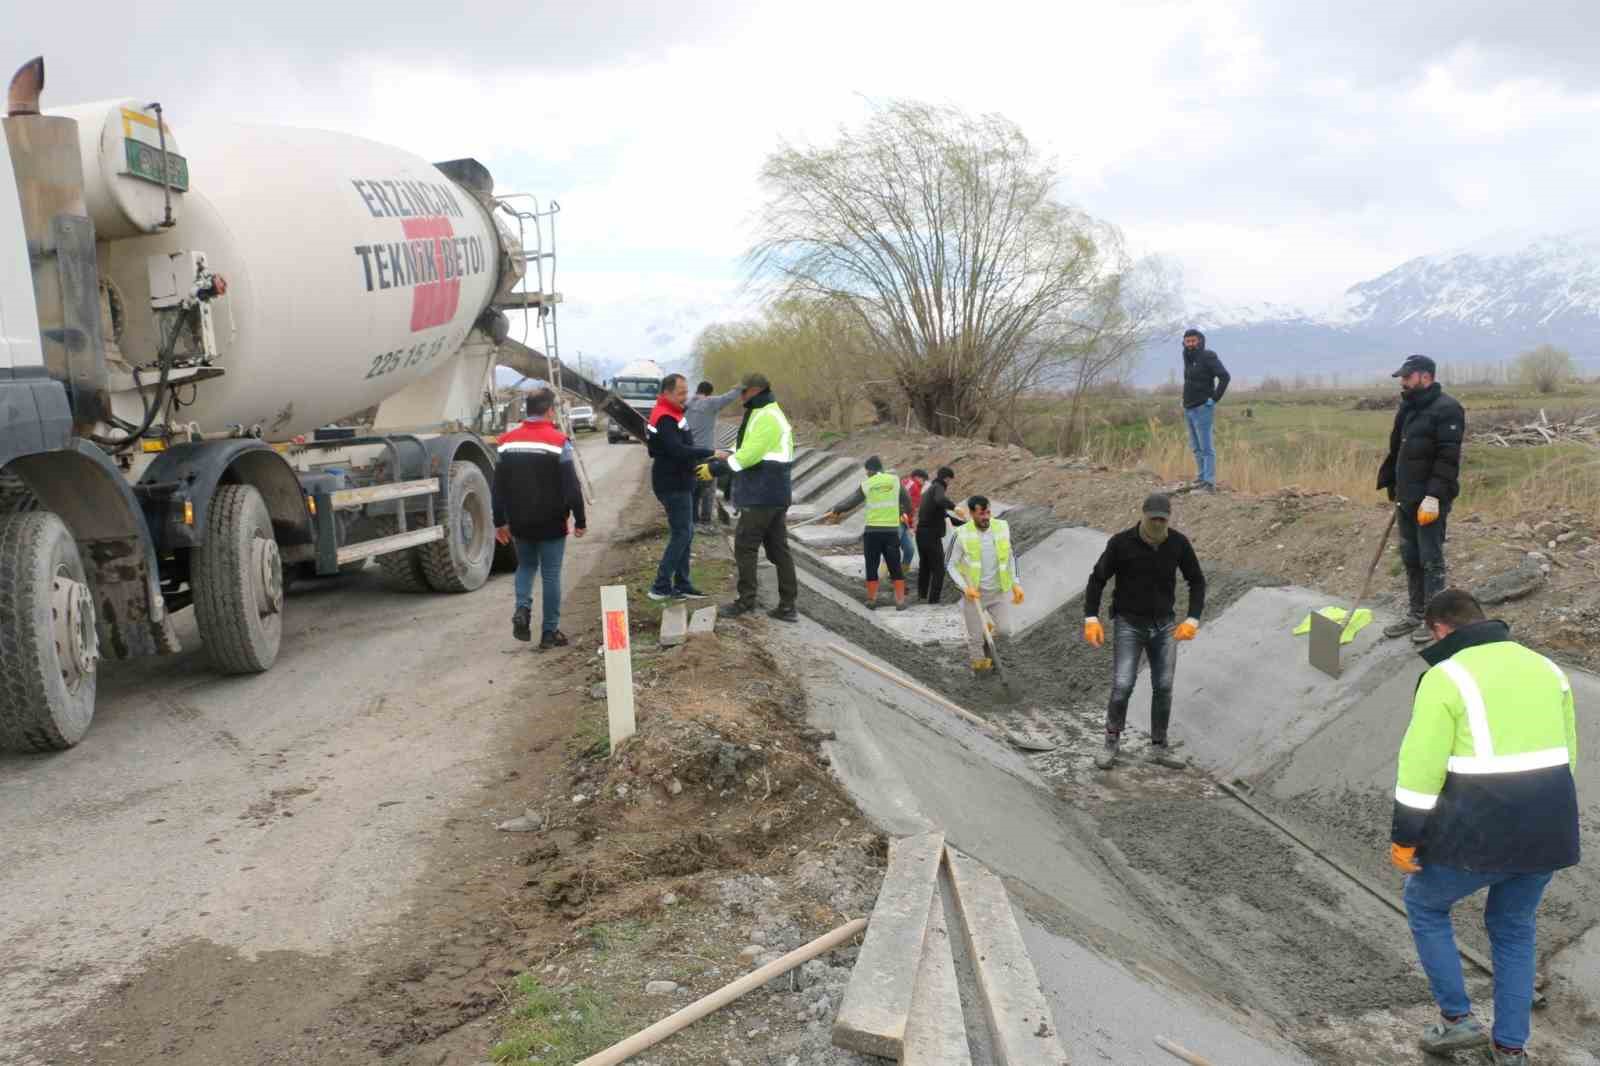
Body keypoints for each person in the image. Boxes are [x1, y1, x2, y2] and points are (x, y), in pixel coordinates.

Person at [1391, 589, 1579, 1064]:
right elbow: (1568, 758)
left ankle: (1457, 1021)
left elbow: (1420, 769)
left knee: (1424, 903)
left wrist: (1405, 837)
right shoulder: (1548, 669)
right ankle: (1511, 1049)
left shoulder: (1444, 677)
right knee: (1514, 929)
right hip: (1548, 830)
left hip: (1479, 831)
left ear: (1440, 630)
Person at [1082, 493, 1206, 770]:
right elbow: (1098, 578)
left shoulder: (1177, 544)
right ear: (1144, 515)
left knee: (1163, 686)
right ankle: (1111, 742)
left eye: (1163, 519)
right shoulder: (1121, 544)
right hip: (1129, 624)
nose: (1158, 524)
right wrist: (1091, 617)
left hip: (1165, 626)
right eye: (1154, 519)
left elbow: (1196, 581)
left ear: (1168, 518)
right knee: (1123, 685)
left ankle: (1159, 747)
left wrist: (1193, 619)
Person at [1377, 354, 1466, 643]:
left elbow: (1447, 458)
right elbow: (1397, 449)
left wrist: (1434, 497)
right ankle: (1416, 614)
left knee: (1431, 560)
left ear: (1425, 376)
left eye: (1407, 376)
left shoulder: (1448, 409)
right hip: (1406, 497)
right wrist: (1393, 484)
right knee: (1411, 558)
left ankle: (1434, 621)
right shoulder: (1409, 407)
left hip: (1430, 501)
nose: (1402, 382)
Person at [699, 372, 799, 621]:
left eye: (742, 391)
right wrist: (722, 455)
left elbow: (749, 455)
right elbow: (745, 448)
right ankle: (787, 606)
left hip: (762, 494)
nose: (739, 396)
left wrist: (715, 469)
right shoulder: (762, 411)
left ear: (755, 390)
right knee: (778, 550)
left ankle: (746, 601)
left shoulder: (767, 416)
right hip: (773, 493)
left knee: (745, 546)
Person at [493, 388, 587, 649]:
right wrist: (580, 519)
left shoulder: (506, 442)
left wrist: (499, 521)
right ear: (549, 411)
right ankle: (549, 632)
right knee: (551, 574)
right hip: (551, 521)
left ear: (527, 409)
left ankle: (522, 608)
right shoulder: (559, 442)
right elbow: (572, 487)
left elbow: (498, 486)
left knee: (525, 567)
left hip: (520, 521)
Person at [645, 373, 714, 602]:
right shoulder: (665, 418)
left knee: (686, 532)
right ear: (666, 393)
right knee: (682, 533)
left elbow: (684, 447)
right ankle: (661, 585)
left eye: (686, 391)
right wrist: (710, 452)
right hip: (672, 483)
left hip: (682, 480)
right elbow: (678, 450)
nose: (685, 396)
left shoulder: (674, 413)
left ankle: (682, 583)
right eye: (681, 392)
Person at [823, 456, 914, 610]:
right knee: (895, 565)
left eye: (866, 472)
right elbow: (908, 504)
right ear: (881, 467)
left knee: (872, 565)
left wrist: (836, 510)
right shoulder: (895, 481)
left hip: (872, 532)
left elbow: (850, 502)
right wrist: (902, 512)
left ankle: (872, 600)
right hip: (891, 531)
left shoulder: (866, 484)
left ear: (869, 470)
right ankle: (900, 601)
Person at [945, 496, 1024, 674]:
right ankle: (979, 668)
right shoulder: (961, 534)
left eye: (988, 512)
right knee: (975, 639)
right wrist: (965, 588)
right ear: (972, 513)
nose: (986, 517)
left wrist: (1016, 584)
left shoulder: (1002, 527)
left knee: (1004, 630)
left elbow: (1011, 557)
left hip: (997, 592)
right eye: (981, 514)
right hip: (974, 594)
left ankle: (989, 640)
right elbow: (949, 564)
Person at [686, 380, 742, 530]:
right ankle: (706, 522)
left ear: (697, 390)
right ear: (709, 393)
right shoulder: (709, 403)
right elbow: (728, 397)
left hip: (689, 452)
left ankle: (692, 520)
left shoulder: (687, 403)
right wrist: (741, 386)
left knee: (693, 487)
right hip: (706, 453)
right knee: (708, 488)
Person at [1180, 328, 1230, 491]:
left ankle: (1209, 482)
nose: (1191, 344)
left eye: (1194, 341)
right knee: (1196, 447)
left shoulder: (1208, 356)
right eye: (1188, 341)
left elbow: (1224, 376)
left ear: (1200, 341)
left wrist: (1214, 399)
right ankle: (1201, 477)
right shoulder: (1187, 356)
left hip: (1203, 407)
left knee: (1206, 447)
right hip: (1188, 407)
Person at [915, 466, 962, 605]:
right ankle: (934, 601)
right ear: (946, 479)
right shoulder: (938, 487)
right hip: (930, 535)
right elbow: (941, 500)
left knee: (925, 567)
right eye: (949, 481)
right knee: (939, 569)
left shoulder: (928, 491)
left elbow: (945, 517)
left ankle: (922, 596)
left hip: (921, 534)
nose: (949, 484)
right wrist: (955, 507)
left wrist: (964, 524)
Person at [899, 468, 928, 571]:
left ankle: (902, 573)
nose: (924, 483)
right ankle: (883, 574)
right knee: (892, 548)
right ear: (917, 477)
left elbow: (914, 510)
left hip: (905, 524)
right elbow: (900, 498)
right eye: (923, 480)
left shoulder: (917, 490)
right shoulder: (910, 483)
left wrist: (911, 527)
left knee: (909, 550)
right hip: (898, 520)